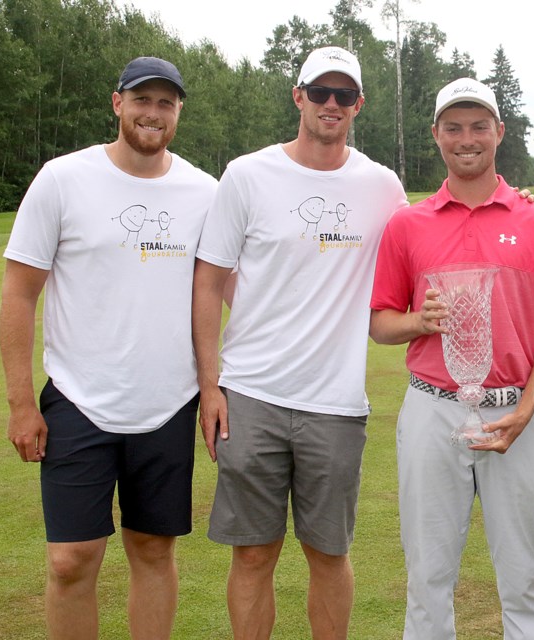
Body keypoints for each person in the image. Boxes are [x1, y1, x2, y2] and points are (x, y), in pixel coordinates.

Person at [191, 46, 408, 640]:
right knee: (254, 555)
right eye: (320, 92)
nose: (331, 104)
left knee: (329, 555)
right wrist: (209, 387)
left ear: (358, 104)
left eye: (344, 95)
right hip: (250, 396)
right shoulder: (248, 174)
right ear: (299, 97)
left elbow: (421, 246)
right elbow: (208, 281)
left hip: (335, 404)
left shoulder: (381, 186)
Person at [0, 57, 216, 639]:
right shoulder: (63, 178)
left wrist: (217, 389)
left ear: (177, 113)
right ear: (116, 103)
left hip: (169, 403)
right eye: (142, 100)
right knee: (71, 560)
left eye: (166, 103)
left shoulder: (204, 191)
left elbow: (221, 296)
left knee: (152, 551)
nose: (153, 113)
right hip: (77, 400)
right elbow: (19, 295)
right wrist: (22, 405)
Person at [369, 77, 534, 640]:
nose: (466, 138)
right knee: (428, 577)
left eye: (477, 126)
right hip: (432, 408)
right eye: (453, 128)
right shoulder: (407, 223)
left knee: (522, 578)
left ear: (499, 132)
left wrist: (527, 409)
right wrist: (418, 322)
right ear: (437, 136)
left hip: (514, 408)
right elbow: (380, 323)